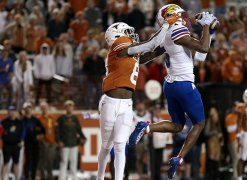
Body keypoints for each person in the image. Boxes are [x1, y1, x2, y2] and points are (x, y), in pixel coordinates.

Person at [129, 4, 218, 179]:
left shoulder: (169, 34)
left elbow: (199, 57)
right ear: (173, 16)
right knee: (199, 124)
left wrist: (209, 30)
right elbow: (204, 48)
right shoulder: (177, 31)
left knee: (178, 125)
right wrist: (206, 25)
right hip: (183, 84)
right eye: (181, 15)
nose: (185, 18)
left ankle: (147, 128)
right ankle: (178, 158)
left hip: (170, 85)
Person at [96, 14, 178, 180]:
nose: (131, 35)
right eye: (126, 32)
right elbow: (151, 44)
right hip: (110, 102)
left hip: (126, 104)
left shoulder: (129, 53)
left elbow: (151, 52)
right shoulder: (118, 48)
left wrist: (167, 42)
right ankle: (99, 177)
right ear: (117, 36)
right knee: (107, 145)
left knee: (120, 145)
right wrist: (164, 26)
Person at [55, 100, 86, 180]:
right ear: (65, 107)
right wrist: (58, 141)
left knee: (73, 162)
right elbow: (57, 131)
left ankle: (73, 178)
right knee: (63, 162)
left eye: (71, 106)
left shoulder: (75, 118)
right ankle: (62, 178)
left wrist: (83, 138)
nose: (69, 107)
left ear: (73, 107)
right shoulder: (61, 118)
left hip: (74, 143)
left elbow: (79, 130)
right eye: (68, 106)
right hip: (64, 143)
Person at [21, 102, 45, 180]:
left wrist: (40, 136)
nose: (28, 110)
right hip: (27, 143)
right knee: (28, 160)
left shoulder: (36, 120)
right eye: (26, 108)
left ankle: (33, 176)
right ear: (24, 110)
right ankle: (26, 176)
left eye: (29, 108)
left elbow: (43, 130)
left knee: (35, 160)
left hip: (35, 143)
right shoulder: (22, 120)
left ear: (31, 109)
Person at [1, 106, 23, 180]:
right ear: (7, 112)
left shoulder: (19, 122)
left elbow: (22, 134)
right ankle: (2, 178)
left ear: (15, 112)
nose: (11, 112)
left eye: (13, 111)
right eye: (10, 111)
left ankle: (17, 178)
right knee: (5, 163)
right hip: (7, 145)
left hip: (16, 145)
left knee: (16, 163)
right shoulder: (4, 122)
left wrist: (21, 143)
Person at [38, 101, 56, 180]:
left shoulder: (51, 118)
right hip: (43, 143)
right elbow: (38, 132)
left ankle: (50, 177)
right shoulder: (39, 119)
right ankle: (43, 177)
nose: (44, 109)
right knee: (43, 162)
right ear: (41, 109)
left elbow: (54, 129)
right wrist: (42, 140)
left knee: (50, 161)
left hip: (51, 143)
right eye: (42, 108)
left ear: (48, 108)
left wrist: (55, 141)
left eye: (45, 107)